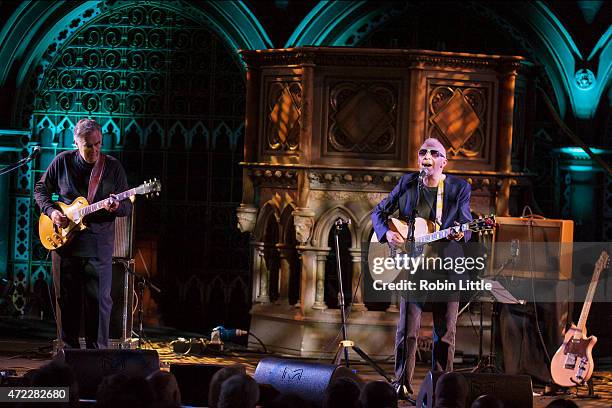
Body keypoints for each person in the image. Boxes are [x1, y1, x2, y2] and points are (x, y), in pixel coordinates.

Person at [371, 138, 472, 398]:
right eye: (422, 152)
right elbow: (378, 213)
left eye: (434, 152)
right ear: (419, 160)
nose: (427, 155)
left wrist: (461, 235)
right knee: (407, 330)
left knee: (445, 333)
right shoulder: (408, 183)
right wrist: (388, 235)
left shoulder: (458, 188)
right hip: (413, 267)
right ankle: (401, 384)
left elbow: (467, 224)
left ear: (443, 162)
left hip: (446, 268)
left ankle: (442, 388)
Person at [34, 118, 131, 349]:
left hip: (98, 247)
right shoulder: (63, 162)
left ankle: (97, 358)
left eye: (98, 144)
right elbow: (41, 189)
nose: (95, 150)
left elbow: (127, 206)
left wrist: (117, 206)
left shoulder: (112, 167)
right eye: (89, 145)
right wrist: (52, 212)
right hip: (65, 245)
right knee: (67, 302)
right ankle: (68, 356)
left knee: (99, 305)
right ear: (76, 143)